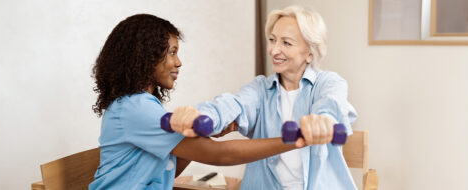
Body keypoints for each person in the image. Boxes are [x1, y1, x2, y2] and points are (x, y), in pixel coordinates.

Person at [88, 13, 332, 190]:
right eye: (172, 52)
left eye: (286, 43)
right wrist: (294, 139)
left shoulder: (138, 105)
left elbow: (171, 162)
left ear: (309, 54)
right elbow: (221, 156)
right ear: (145, 56)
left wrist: (204, 132)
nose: (178, 62)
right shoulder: (136, 108)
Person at [169, 6, 358, 190]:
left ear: (309, 53)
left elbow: (331, 105)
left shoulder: (328, 83)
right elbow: (233, 105)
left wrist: (322, 121)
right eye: (272, 40)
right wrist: (200, 115)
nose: (274, 50)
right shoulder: (260, 89)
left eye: (286, 43)